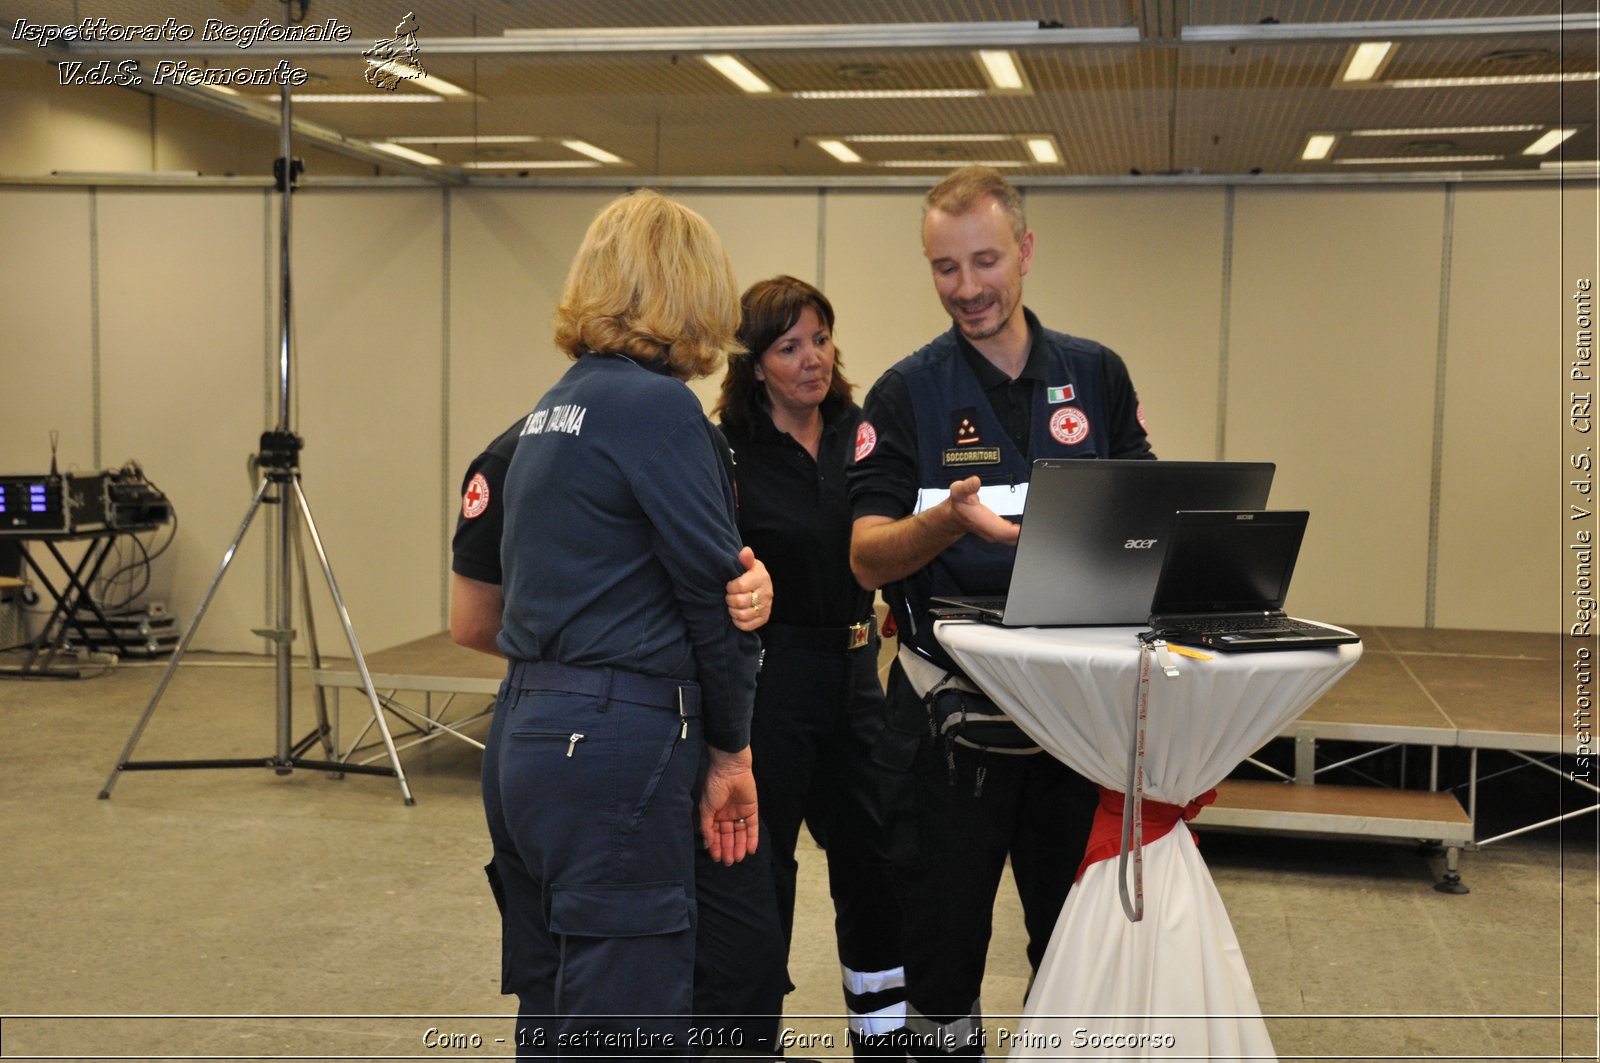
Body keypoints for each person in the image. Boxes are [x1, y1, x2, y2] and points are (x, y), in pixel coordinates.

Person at [846, 166, 1154, 1059]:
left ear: (1024, 252)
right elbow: (864, 554)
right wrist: (944, 519)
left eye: (985, 261)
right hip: (948, 733)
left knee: (1077, 948)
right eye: (945, 268)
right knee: (940, 961)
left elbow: (1144, 513)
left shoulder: (1095, 375)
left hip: (1074, 725)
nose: (968, 288)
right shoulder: (905, 394)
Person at [476, 189, 768, 1058]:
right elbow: (711, 600)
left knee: (556, 1006)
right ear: (689, 290)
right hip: (612, 745)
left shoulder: (556, 407)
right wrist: (732, 748)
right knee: (627, 1026)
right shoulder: (658, 410)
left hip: (527, 736)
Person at [450, 414, 788, 1060]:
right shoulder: (517, 455)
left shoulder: (683, 434)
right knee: (596, 982)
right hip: (609, 733)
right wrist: (599, 659)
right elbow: (473, 620)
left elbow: (725, 572)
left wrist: (751, 591)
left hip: (685, 728)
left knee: (739, 954)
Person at [713, 277, 907, 1058]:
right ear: (755, 364)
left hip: (858, 678)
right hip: (769, 684)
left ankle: (883, 1038)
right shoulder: (723, 445)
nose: (811, 359)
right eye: (789, 347)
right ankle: (751, 1042)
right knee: (760, 877)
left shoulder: (864, 432)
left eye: (821, 340)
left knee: (879, 866)